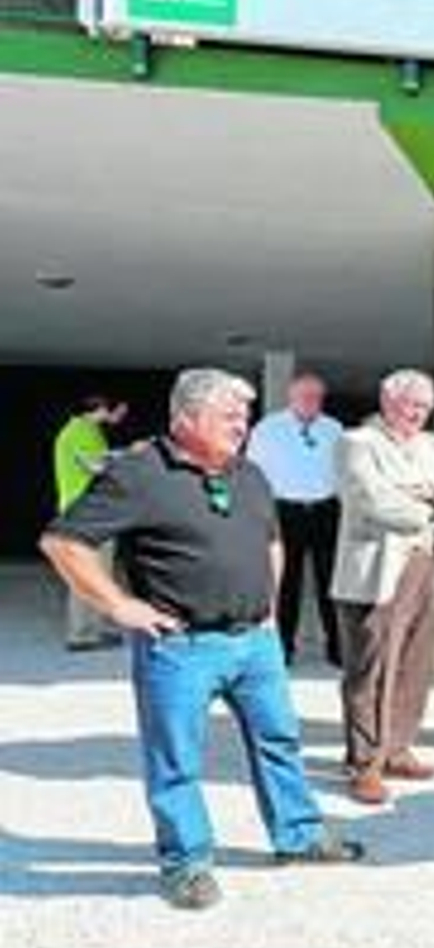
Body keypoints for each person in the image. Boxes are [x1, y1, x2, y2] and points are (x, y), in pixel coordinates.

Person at [38, 368, 364, 911]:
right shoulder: (138, 473)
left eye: (245, 416)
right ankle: (186, 864)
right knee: (176, 761)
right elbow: (62, 542)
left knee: (279, 741)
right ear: (187, 419)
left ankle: (299, 835)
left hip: (254, 644)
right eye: (229, 416)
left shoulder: (250, 474)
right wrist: (119, 605)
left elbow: (273, 541)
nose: (242, 426)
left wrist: (268, 610)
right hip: (180, 648)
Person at [332, 369, 434, 805]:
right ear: (386, 401)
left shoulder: (432, 445)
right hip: (377, 569)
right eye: (409, 404)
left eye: (424, 406)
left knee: (415, 661)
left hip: (427, 562)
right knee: (372, 666)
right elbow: (369, 500)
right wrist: (425, 506)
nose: (417, 413)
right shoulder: (357, 442)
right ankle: (364, 765)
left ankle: (396, 748)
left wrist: (426, 493)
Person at [247, 370, 344, 666]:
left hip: (326, 509)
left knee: (331, 582)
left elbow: (345, 471)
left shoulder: (334, 428)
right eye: (305, 396)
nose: (311, 401)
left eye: (316, 397)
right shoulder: (268, 428)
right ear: (291, 397)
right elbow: (253, 472)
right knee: (285, 582)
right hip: (284, 510)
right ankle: (282, 648)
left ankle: (338, 649)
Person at [52, 394, 127, 650]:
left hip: (91, 512)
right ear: (94, 411)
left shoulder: (87, 429)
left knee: (100, 573)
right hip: (86, 514)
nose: (110, 416)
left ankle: (93, 630)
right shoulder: (79, 431)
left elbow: (101, 455)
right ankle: (81, 636)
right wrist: (128, 458)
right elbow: (95, 466)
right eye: (106, 411)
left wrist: (117, 453)